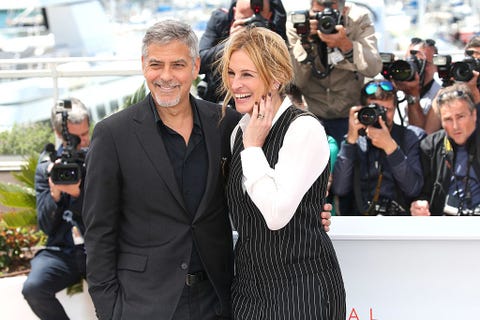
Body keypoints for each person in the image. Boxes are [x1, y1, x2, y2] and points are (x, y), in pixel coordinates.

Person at [82, 19, 334, 320]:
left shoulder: (226, 124)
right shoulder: (113, 134)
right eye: (155, 65)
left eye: (177, 64)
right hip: (144, 304)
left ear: (195, 65)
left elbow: (266, 194)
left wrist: (308, 211)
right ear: (142, 65)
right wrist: (109, 309)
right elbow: (99, 231)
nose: (165, 76)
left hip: (219, 299)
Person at [219, 26, 345, 319]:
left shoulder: (303, 127)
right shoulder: (239, 130)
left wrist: (252, 149)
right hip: (249, 291)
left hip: (302, 292)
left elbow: (275, 216)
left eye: (247, 74)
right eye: (231, 72)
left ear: (275, 78)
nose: (235, 84)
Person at [22, 98, 90, 320]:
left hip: (97, 251)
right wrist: (55, 193)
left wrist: (79, 194)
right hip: (62, 252)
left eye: (86, 133)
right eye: (77, 137)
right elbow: (46, 225)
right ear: (59, 134)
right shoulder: (47, 168)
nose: (84, 141)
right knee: (33, 288)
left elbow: (108, 213)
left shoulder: (99, 159)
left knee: (119, 290)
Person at [287, 0, 382, 146]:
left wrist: (346, 45)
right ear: (311, 6)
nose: (324, 16)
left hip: (349, 114)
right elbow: (297, 81)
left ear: (344, 9)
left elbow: (374, 68)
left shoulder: (358, 19)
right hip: (313, 114)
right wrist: (306, 41)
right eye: (319, 11)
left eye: (331, 9)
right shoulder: (299, 21)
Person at [332, 79, 426, 215]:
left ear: (395, 109)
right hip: (359, 222)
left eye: (387, 110)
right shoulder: (354, 140)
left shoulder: (411, 137)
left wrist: (392, 149)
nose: (381, 116)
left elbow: (413, 188)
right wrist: (350, 141)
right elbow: (340, 188)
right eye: (375, 110)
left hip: (399, 221)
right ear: (362, 110)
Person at [411, 83, 480, 216]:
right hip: (445, 226)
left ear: (474, 114)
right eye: (448, 119)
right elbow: (423, 193)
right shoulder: (430, 146)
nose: (455, 126)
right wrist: (419, 205)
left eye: (460, 117)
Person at [199, 0, 287, 104]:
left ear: (269, 15)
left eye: (256, 22)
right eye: (246, 20)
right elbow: (199, 62)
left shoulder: (275, 31)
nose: (250, 29)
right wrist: (231, 43)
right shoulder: (220, 21)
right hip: (218, 97)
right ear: (234, 12)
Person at [390, 37, 442, 133]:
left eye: (423, 63)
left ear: (436, 67)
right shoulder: (393, 87)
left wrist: (413, 95)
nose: (415, 68)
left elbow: (421, 136)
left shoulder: (440, 94)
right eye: (410, 62)